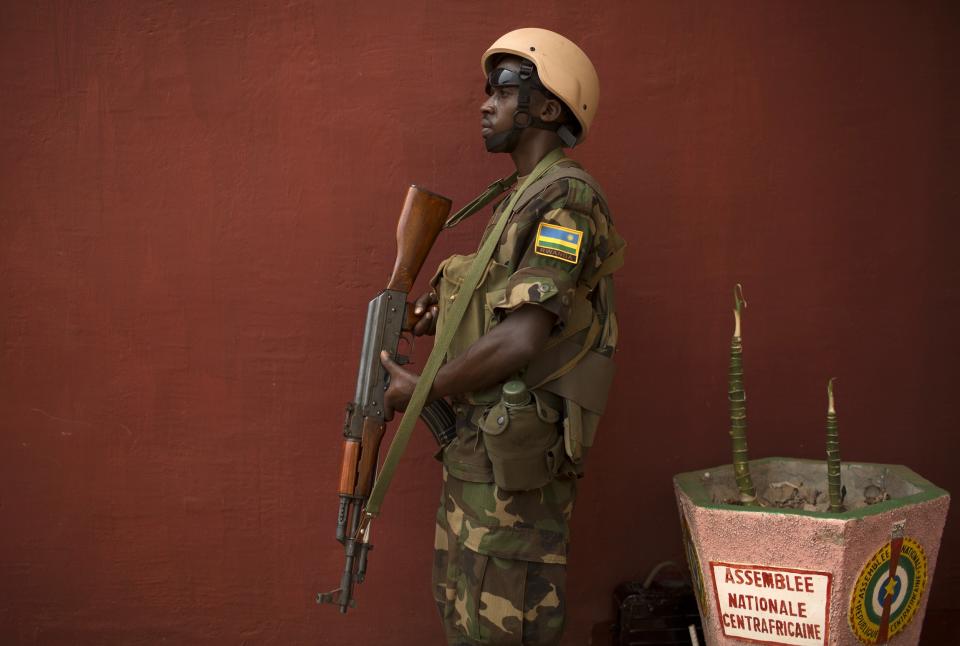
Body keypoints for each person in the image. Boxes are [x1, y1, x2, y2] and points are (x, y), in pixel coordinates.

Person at [380, 27, 625, 646]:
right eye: (486, 91)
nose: (486, 103)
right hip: (478, 462)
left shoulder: (565, 199)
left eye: (503, 90)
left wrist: (419, 390)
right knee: (463, 621)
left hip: (514, 480)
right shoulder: (517, 198)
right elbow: (498, 313)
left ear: (546, 108)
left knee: (504, 632)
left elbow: (521, 340)